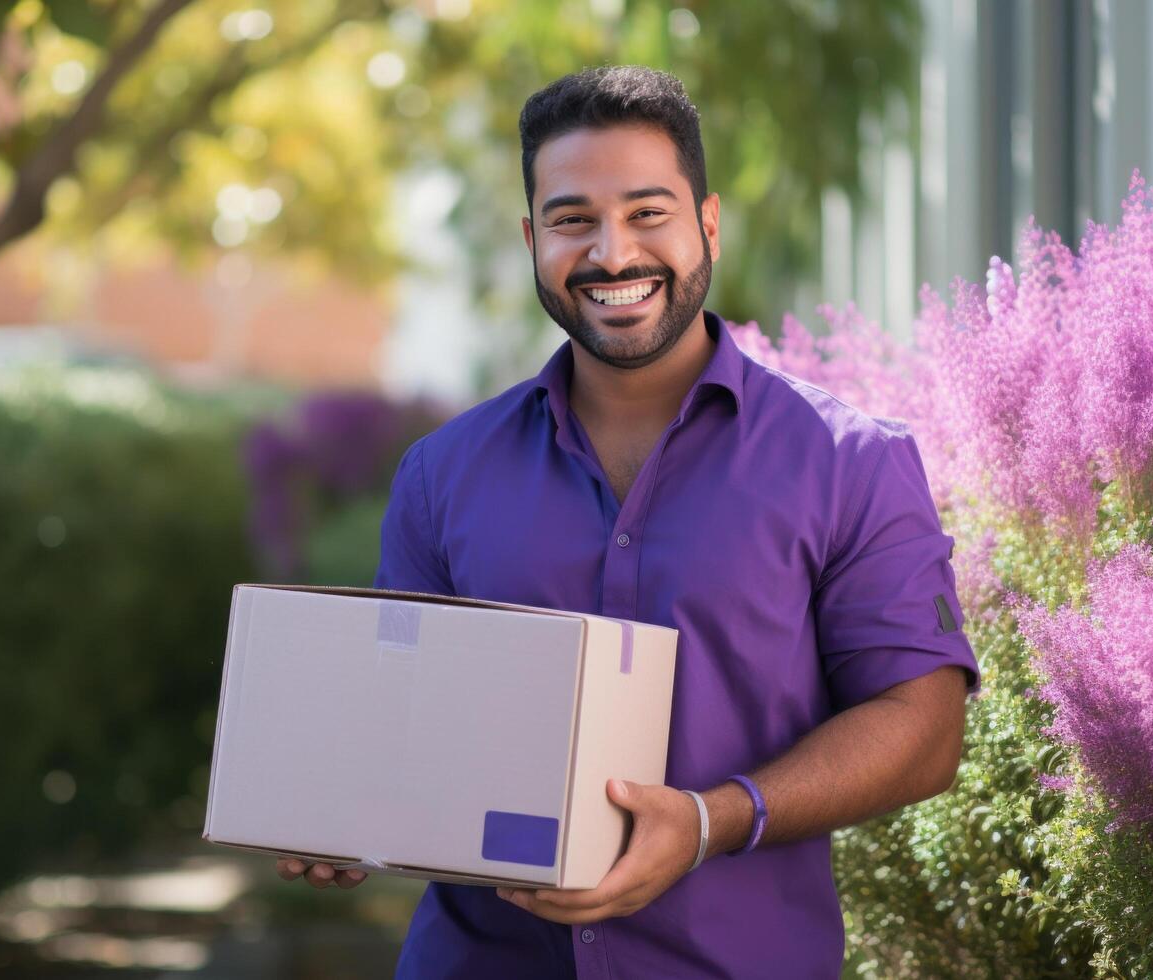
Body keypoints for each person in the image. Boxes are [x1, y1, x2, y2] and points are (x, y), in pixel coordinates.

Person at [275, 65, 979, 979]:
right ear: (533, 239)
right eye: (573, 220)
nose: (612, 254)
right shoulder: (441, 474)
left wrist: (708, 821)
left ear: (708, 225)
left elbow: (924, 728)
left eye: (649, 212)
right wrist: (343, 815)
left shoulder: (849, 462)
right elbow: (402, 724)